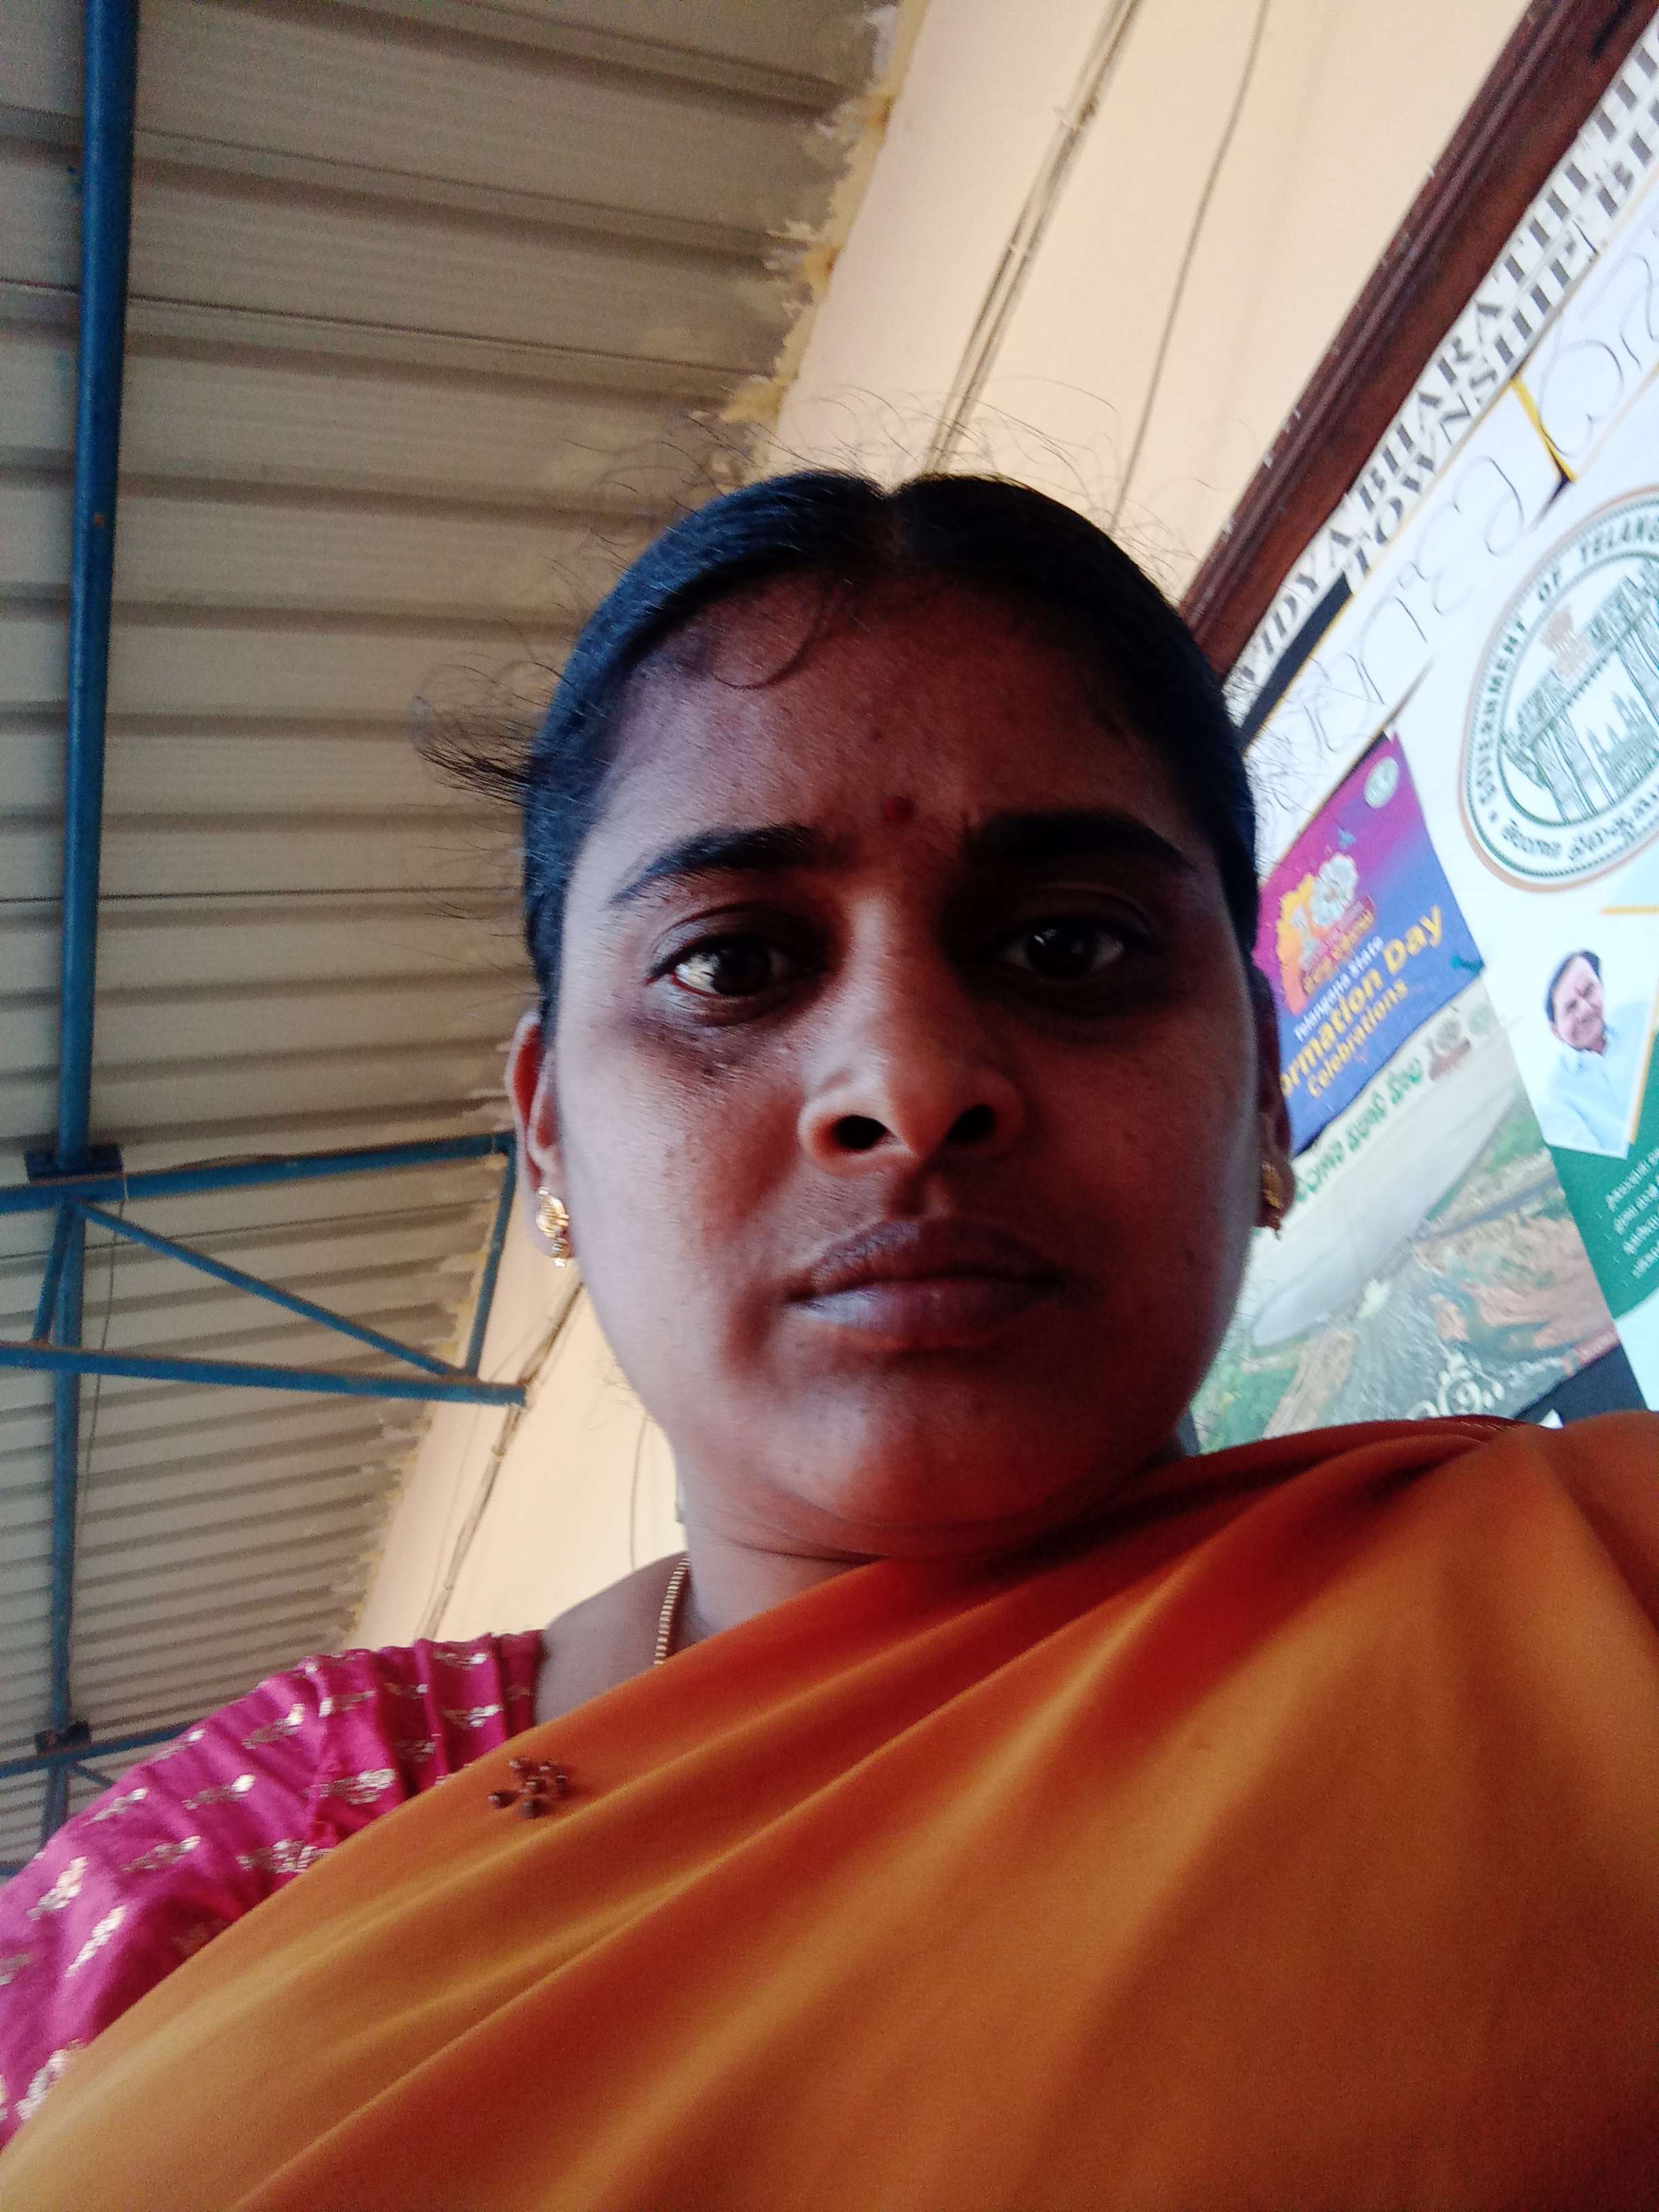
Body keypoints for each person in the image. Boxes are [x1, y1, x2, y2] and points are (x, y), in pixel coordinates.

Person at [2, 473, 1657, 2210]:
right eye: (732, 966)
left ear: (1264, 1086)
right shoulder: (230, 1854)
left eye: (1069, 944)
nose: (908, 1083)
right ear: (549, 1129)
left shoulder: (1603, 1585)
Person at [1539, 947, 1651, 1156]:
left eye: (1589, 991)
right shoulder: (1555, 1096)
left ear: (1602, 987)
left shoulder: (1643, 1018)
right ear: (1556, 1031)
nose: (1585, 1010)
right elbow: (1596, 1166)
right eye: (1571, 1007)